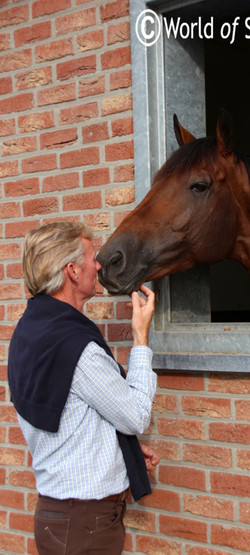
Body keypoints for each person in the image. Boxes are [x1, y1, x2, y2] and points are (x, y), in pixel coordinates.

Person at [8, 221, 159, 555]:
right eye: (93, 258)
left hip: (57, 516)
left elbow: (70, 414)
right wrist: (141, 338)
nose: (100, 266)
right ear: (72, 270)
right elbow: (134, 416)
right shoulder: (76, 347)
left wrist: (123, 450)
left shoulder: (28, 333)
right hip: (85, 525)